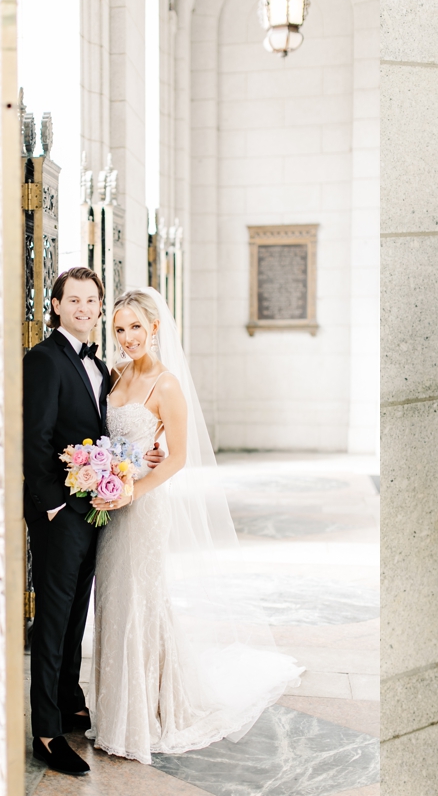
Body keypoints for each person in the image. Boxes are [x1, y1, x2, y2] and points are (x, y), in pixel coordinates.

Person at [84, 288, 302, 763]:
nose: (127, 338)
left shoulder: (166, 385)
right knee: (114, 603)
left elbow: (177, 457)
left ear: (155, 328)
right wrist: (107, 472)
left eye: (136, 327)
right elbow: (112, 439)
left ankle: (147, 715)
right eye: (119, 329)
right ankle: (117, 710)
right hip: (109, 505)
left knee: (141, 602)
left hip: (142, 510)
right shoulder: (114, 375)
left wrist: (132, 491)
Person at [23, 267, 163, 775]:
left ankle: (66, 700)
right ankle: (44, 730)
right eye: (74, 300)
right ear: (56, 305)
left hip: (98, 510)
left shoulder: (103, 367)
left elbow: (106, 435)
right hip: (61, 513)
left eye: (91, 301)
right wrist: (55, 504)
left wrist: (134, 464)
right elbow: (34, 439)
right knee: (54, 619)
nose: (84, 308)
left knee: (77, 613)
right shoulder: (42, 360)